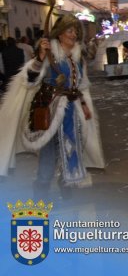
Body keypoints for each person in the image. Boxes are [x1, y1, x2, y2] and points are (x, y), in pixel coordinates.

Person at [0, 14, 105, 197]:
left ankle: (67, 182)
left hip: (72, 112)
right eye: (70, 31)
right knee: (49, 153)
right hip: (51, 111)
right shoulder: (49, 55)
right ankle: (41, 188)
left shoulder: (77, 58)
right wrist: (40, 57)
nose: (74, 35)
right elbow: (31, 79)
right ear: (60, 34)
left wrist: (84, 104)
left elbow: (80, 85)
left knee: (71, 148)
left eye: (76, 31)